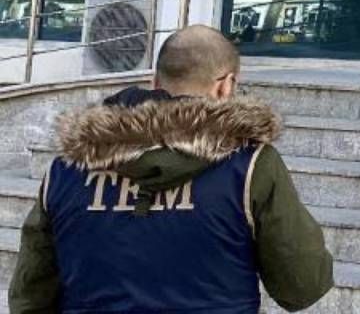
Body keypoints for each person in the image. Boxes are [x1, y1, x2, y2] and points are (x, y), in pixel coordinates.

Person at [8, 25, 334, 314]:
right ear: (226, 86)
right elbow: (302, 285)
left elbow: (30, 296)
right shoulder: (251, 165)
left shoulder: (70, 164)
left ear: (155, 82)